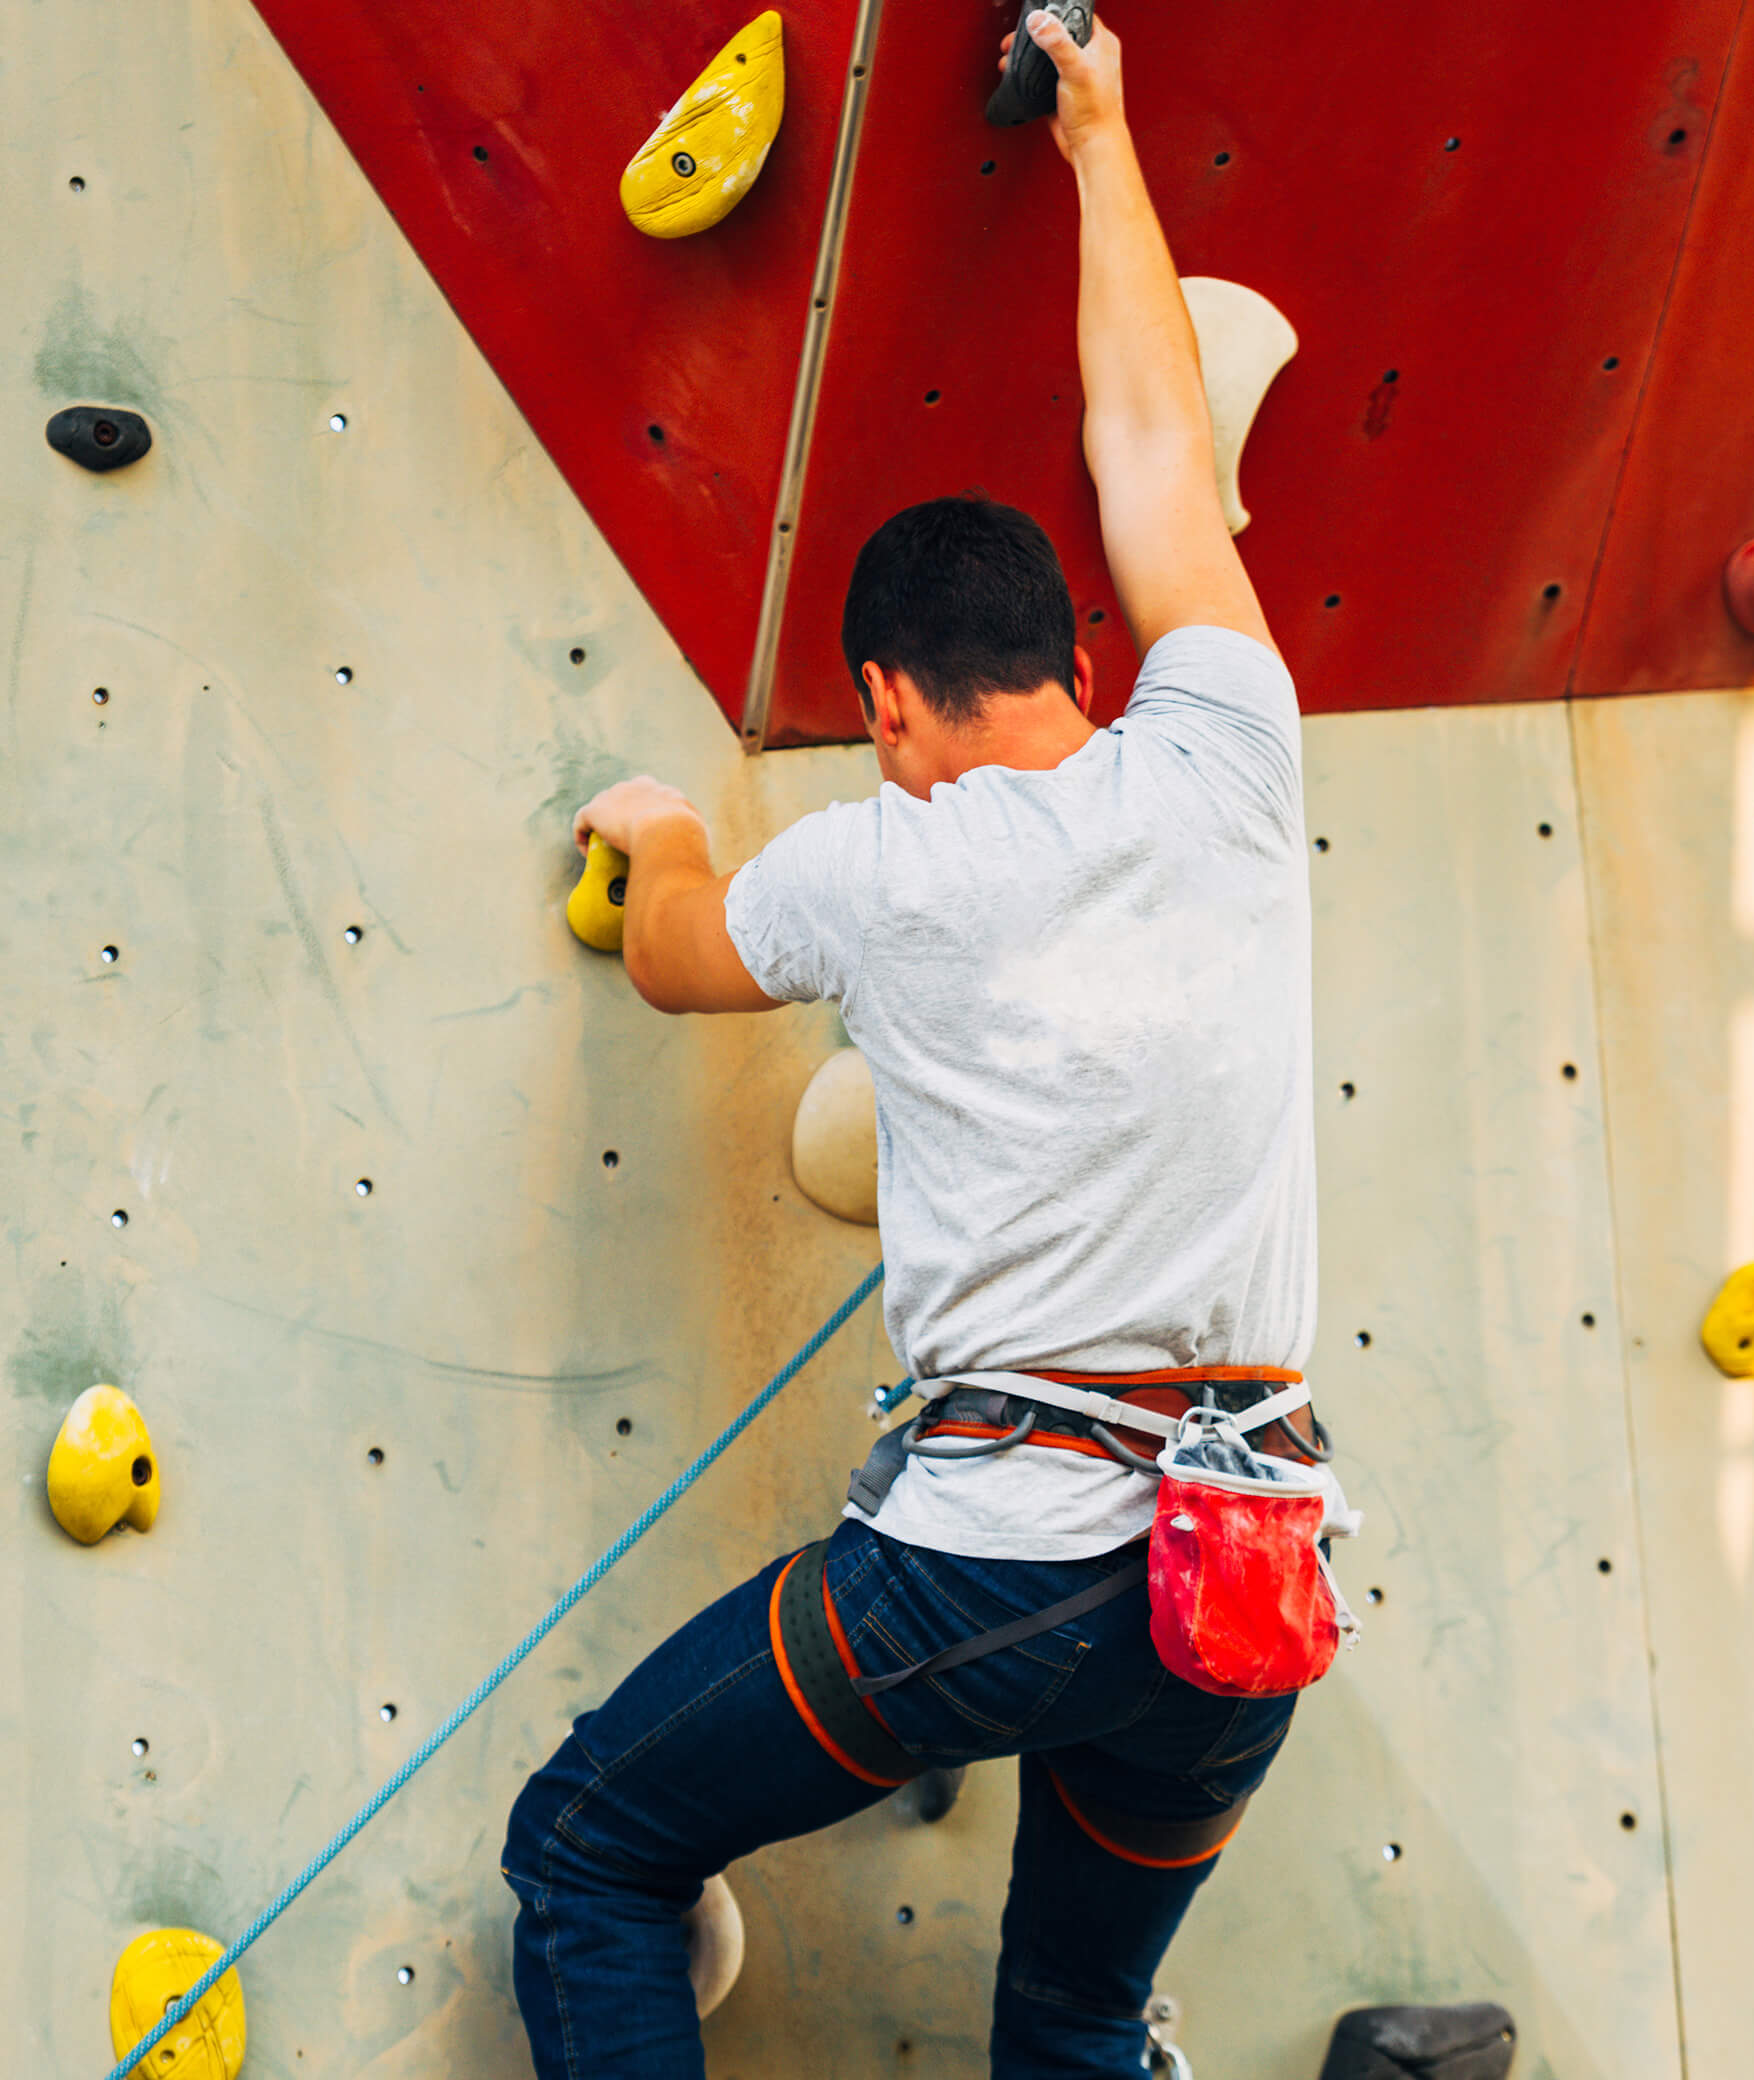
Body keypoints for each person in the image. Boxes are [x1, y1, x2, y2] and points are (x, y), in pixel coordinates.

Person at [502, 15, 1322, 2076]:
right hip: (1247, 1588)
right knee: (1072, 2015)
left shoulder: (883, 865)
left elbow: (681, 955)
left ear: (886, 699)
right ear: (1081, 650)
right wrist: (1101, 132)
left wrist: (663, 832)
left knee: (594, 1841)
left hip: (1003, 1570)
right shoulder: (1229, 749)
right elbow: (1150, 441)